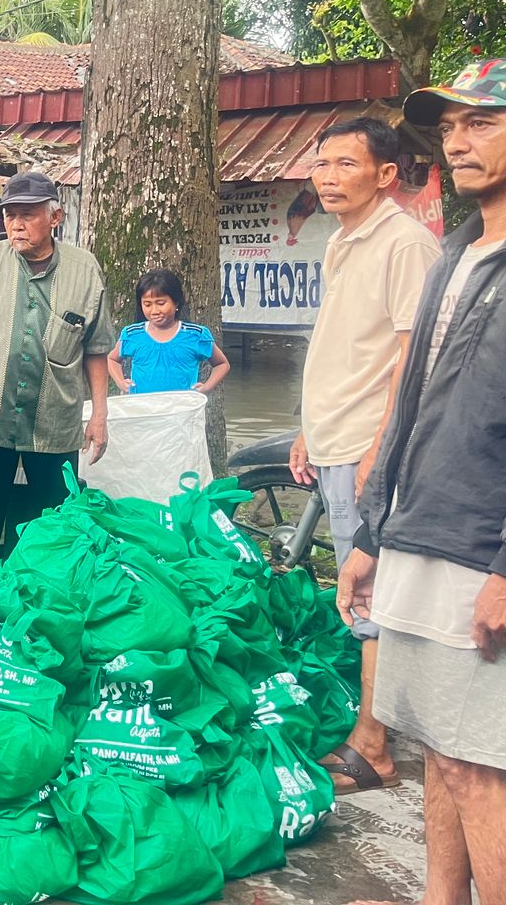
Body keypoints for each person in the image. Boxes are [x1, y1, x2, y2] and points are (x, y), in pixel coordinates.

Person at [339, 61, 506, 905]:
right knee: (440, 747)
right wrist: (370, 533)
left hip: (483, 543)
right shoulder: (453, 253)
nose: (460, 141)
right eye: (450, 128)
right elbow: (410, 401)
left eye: (482, 122)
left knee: (481, 765)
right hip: (416, 528)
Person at [281, 119, 438, 799]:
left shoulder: (405, 243)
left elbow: (414, 355)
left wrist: (380, 447)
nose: (328, 175)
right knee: (360, 589)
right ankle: (379, 725)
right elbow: (345, 345)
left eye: (346, 163)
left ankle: (374, 746)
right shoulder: (344, 239)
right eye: (322, 164)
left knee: (367, 590)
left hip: (372, 444)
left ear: (385, 174)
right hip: (336, 436)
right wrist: (307, 427)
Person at [0, 171, 113, 573]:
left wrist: (100, 415)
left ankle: (41, 613)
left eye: (27, 214)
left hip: (55, 424)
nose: (16, 223)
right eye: (10, 214)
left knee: (50, 527)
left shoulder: (85, 270)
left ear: (55, 218)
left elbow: (96, 350)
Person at [108, 268, 231, 395]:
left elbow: (221, 364)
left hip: (182, 410)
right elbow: (112, 359)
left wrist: (206, 387)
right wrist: (121, 382)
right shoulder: (132, 334)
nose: (154, 311)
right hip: (141, 409)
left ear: (176, 302)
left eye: (161, 303)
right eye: (147, 304)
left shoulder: (196, 335)